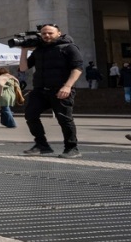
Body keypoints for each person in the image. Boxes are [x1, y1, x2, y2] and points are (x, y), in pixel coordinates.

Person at [19, 23, 83, 158]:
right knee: (30, 114)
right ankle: (42, 145)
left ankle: (72, 148)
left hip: (61, 89)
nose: (47, 36)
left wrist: (67, 86)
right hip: (40, 90)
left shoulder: (69, 47)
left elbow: (77, 68)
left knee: (64, 119)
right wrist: (24, 50)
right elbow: (24, 68)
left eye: (50, 33)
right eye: (44, 34)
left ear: (59, 33)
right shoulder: (39, 50)